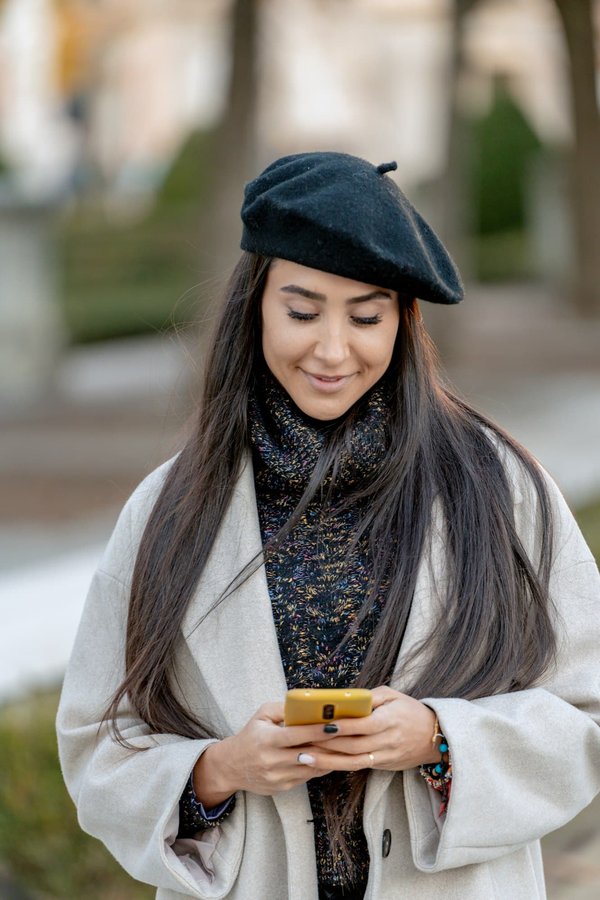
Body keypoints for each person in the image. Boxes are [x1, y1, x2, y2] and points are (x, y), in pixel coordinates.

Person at [56, 151, 600, 900]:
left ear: (405, 321)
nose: (334, 350)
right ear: (255, 307)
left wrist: (441, 741)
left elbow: (587, 710)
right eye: (303, 311)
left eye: (367, 316)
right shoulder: (168, 508)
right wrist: (220, 771)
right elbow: (97, 743)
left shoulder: (499, 485)